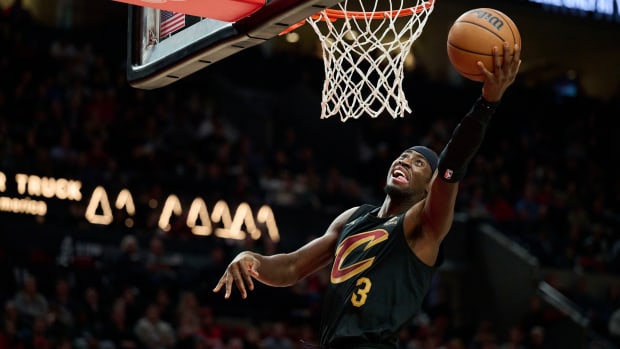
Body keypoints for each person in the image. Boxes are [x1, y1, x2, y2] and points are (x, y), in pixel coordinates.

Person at [213, 43, 522, 348]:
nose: (404, 161)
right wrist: (251, 259)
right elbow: (293, 267)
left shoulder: (423, 227)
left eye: (418, 163)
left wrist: (486, 104)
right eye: (403, 156)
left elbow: (452, 164)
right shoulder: (354, 217)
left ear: (430, 186)